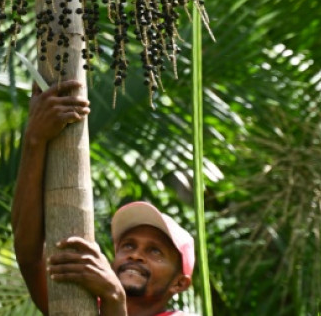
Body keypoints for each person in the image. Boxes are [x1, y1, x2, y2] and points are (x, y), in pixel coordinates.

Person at [11, 80, 194, 316]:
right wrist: (34, 139)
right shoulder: (82, 305)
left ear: (179, 283)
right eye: (128, 245)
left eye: (155, 251)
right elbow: (30, 258)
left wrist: (114, 297)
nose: (136, 255)